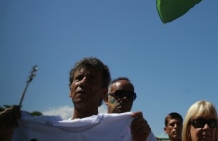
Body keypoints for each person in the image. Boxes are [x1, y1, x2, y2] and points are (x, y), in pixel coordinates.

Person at [0, 57, 151, 141]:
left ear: (103, 93)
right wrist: (5, 131)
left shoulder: (129, 130)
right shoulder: (37, 129)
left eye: (92, 79)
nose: (83, 82)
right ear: (70, 91)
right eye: (78, 78)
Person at [105, 76, 157, 141]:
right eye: (120, 94)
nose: (125, 99)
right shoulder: (95, 126)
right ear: (107, 99)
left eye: (130, 96)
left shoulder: (141, 130)